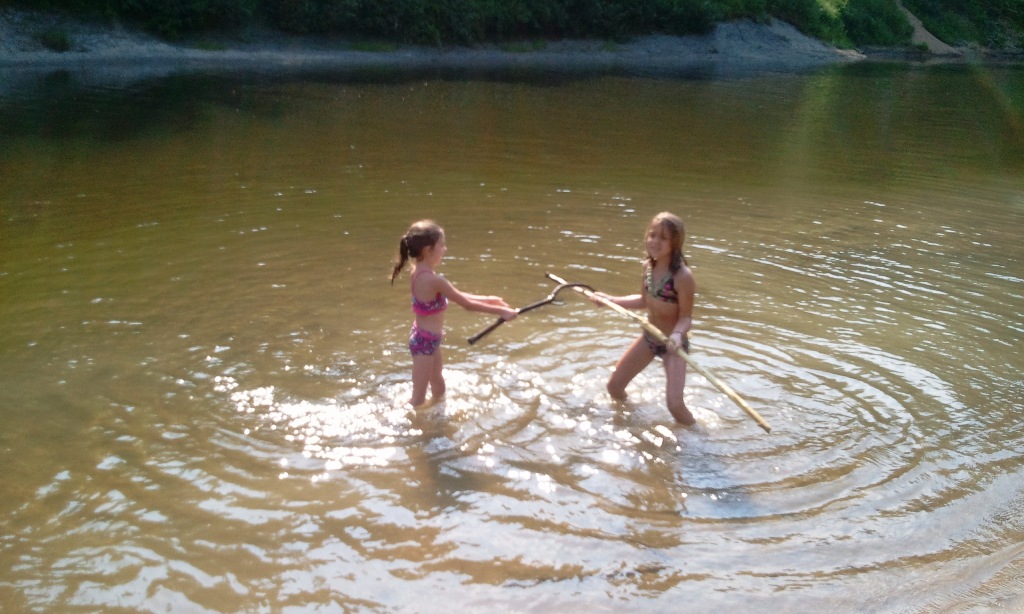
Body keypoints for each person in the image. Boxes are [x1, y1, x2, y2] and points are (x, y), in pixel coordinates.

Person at [390, 220, 517, 409]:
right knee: (417, 400)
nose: (445, 249)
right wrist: (502, 312)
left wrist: (488, 299)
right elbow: (467, 304)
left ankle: (438, 418)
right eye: (441, 245)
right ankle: (398, 422)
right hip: (424, 344)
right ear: (428, 250)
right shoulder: (434, 280)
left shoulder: (419, 273)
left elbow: (457, 295)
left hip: (429, 340)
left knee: (439, 387)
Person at [590, 212, 696, 425]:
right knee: (614, 387)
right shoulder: (648, 267)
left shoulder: (682, 276)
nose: (655, 241)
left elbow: (686, 318)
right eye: (652, 235)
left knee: (675, 405)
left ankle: (697, 436)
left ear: (675, 243)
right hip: (650, 338)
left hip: (673, 345)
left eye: (663, 238)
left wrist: (677, 335)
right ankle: (631, 418)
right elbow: (643, 301)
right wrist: (610, 300)